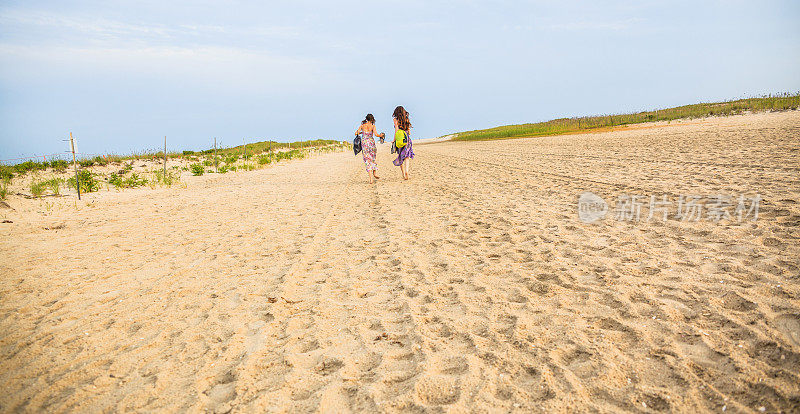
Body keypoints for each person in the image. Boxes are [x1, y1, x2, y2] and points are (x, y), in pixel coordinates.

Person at [355, 114, 384, 183]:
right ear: (372, 119)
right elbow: (376, 134)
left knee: (367, 160)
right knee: (372, 158)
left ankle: (371, 178)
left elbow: (356, 133)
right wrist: (381, 135)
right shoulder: (373, 126)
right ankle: (374, 174)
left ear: (366, 119)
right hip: (371, 143)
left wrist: (362, 132)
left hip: (364, 143)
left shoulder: (362, 125)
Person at [392, 106, 414, 180]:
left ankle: (403, 173)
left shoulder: (395, 120)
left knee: (400, 156)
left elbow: (396, 130)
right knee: (407, 156)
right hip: (406, 138)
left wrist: (394, 140)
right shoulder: (406, 119)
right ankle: (407, 171)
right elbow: (409, 132)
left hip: (399, 139)